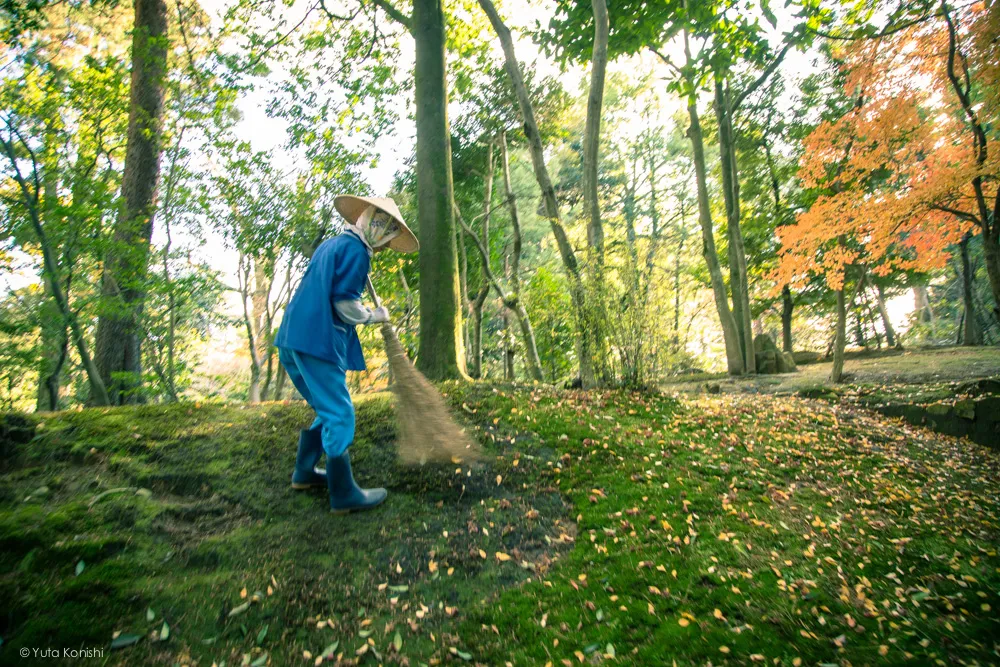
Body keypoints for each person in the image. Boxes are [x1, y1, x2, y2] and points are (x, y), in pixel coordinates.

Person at [275, 195, 418, 514]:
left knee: (327, 409)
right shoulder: (355, 252)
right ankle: (343, 494)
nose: (384, 247)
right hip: (318, 339)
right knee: (340, 413)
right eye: (388, 238)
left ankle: (305, 473)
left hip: (293, 335)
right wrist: (374, 315)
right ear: (379, 228)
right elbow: (344, 305)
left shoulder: (334, 244)